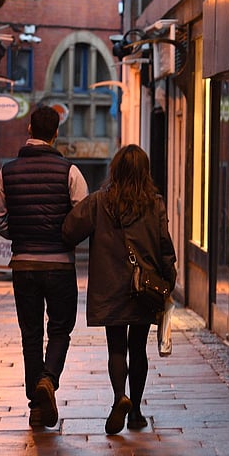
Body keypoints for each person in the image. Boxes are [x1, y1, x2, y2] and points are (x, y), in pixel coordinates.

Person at [63, 144, 176, 435]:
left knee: (116, 347)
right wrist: (168, 281)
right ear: (144, 172)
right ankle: (136, 411)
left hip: (110, 286)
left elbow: (69, 231)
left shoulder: (99, 202)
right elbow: (165, 246)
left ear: (116, 170)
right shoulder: (155, 203)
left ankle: (119, 398)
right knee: (138, 348)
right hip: (144, 287)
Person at [0, 105, 88, 430]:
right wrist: (64, 238)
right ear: (56, 133)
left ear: (29, 129)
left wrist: (19, 233)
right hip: (60, 266)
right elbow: (83, 216)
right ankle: (49, 380)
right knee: (60, 328)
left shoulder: (8, 171)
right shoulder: (70, 172)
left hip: (24, 265)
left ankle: (36, 406)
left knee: (31, 334)